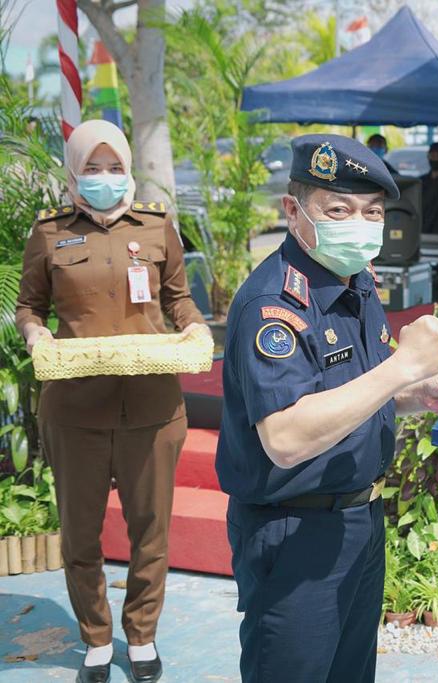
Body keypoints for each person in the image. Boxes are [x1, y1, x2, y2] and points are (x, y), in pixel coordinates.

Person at [215, 134, 438, 683]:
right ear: (293, 210)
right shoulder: (273, 306)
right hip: (295, 532)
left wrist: (417, 393)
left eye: (372, 212)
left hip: (360, 522)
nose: (359, 223)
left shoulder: (355, 282)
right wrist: (403, 367)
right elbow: (286, 437)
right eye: (338, 209)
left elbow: (353, 389)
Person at [16, 119, 209, 683]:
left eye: (115, 167)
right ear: (75, 173)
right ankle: (96, 640)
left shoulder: (155, 226)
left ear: (129, 169)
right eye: (92, 169)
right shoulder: (50, 233)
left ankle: (142, 637)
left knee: (151, 530)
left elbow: (180, 300)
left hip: (152, 407)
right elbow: (29, 305)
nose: (105, 178)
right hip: (75, 408)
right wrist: (36, 334)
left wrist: (196, 330)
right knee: (80, 532)